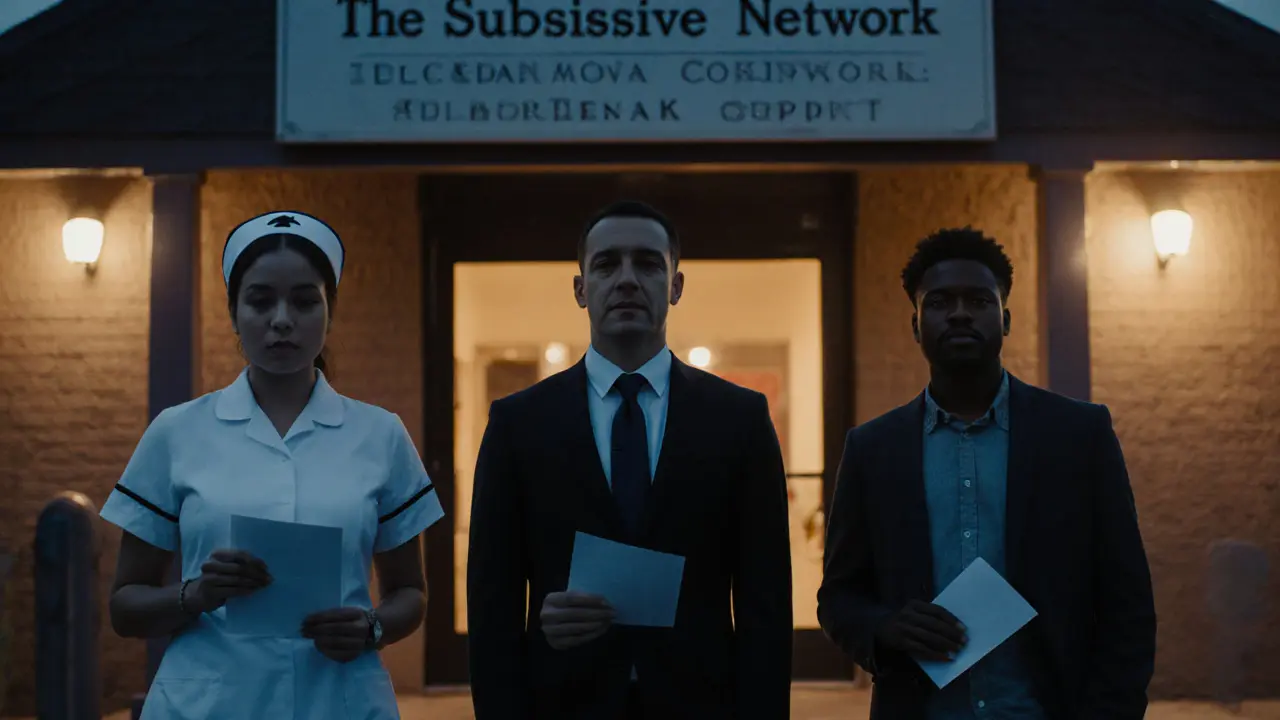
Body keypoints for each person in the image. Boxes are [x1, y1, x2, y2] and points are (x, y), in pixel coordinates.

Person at [100, 210, 445, 719]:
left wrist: (371, 628)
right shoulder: (177, 432)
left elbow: (410, 592)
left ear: (330, 311)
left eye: (304, 301)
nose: (282, 319)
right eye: (260, 301)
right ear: (233, 312)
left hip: (339, 700)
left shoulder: (381, 434)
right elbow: (125, 607)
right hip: (208, 703)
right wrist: (198, 594)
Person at [466, 200, 793, 719]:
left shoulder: (740, 419)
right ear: (580, 289)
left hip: (701, 703)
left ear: (676, 286)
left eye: (646, 264)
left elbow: (765, 599)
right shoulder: (517, 423)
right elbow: (492, 602)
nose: (626, 280)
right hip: (562, 702)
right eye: (606, 264)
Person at [817, 228, 1157, 719]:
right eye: (939, 302)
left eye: (978, 300)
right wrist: (883, 628)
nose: (959, 313)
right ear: (916, 325)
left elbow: (1127, 599)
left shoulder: (1079, 435)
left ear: (1006, 319)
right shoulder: (873, 449)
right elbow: (839, 597)